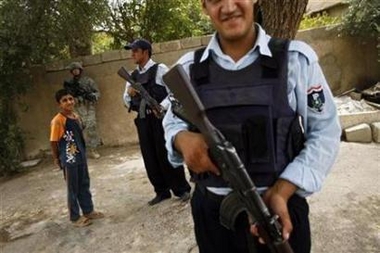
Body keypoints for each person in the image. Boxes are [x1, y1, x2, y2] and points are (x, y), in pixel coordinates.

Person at [162, 1, 341, 253]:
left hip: (281, 211)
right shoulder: (190, 68)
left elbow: (325, 132)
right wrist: (181, 138)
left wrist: (283, 189)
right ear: (204, 6)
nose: (228, 7)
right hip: (214, 216)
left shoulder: (295, 60)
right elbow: (171, 119)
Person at [123, 39, 191, 206]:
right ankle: (161, 191)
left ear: (146, 52)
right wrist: (130, 95)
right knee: (150, 156)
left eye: (135, 50)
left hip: (160, 118)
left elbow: (174, 91)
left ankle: (181, 189)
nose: (132, 54)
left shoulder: (160, 70)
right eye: (131, 51)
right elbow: (125, 100)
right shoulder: (131, 76)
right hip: (143, 120)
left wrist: (161, 106)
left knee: (166, 152)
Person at [50, 89, 104, 227]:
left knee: (84, 184)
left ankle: (88, 210)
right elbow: (53, 141)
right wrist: (57, 158)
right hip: (69, 159)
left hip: (80, 156)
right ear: (59, 104)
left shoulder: (76, 116)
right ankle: (75, 217)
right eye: (64, 100)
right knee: (72, 188)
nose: (69, 102)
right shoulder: (58, 120)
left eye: (70, 99)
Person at [64, 62, 102, 159]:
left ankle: (93, 150)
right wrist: (74, 99)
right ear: (71, 72)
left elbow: (97, 93)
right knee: (76, 130)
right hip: (77, 108)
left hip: (89, 107)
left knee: (91, 128)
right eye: (74, 70)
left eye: (78, 69)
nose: (76, 71)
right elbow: (67, 97)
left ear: (81, 70)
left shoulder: (88, 81)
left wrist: (91, 96)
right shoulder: (69, 84)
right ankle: (78, 151)